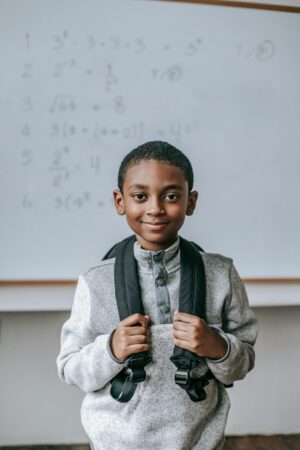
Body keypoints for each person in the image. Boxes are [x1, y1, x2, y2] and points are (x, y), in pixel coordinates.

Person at [56, 141, 258, 450]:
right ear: (119, 201)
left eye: (172, 196)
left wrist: (217, 346)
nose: (155, 208)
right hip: (116, 443)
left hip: (199, 442)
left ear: (191, 202)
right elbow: (71, 368)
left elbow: (242, 363)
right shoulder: (95, 282)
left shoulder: (221, 274)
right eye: (140, 196)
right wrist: (110, 349)